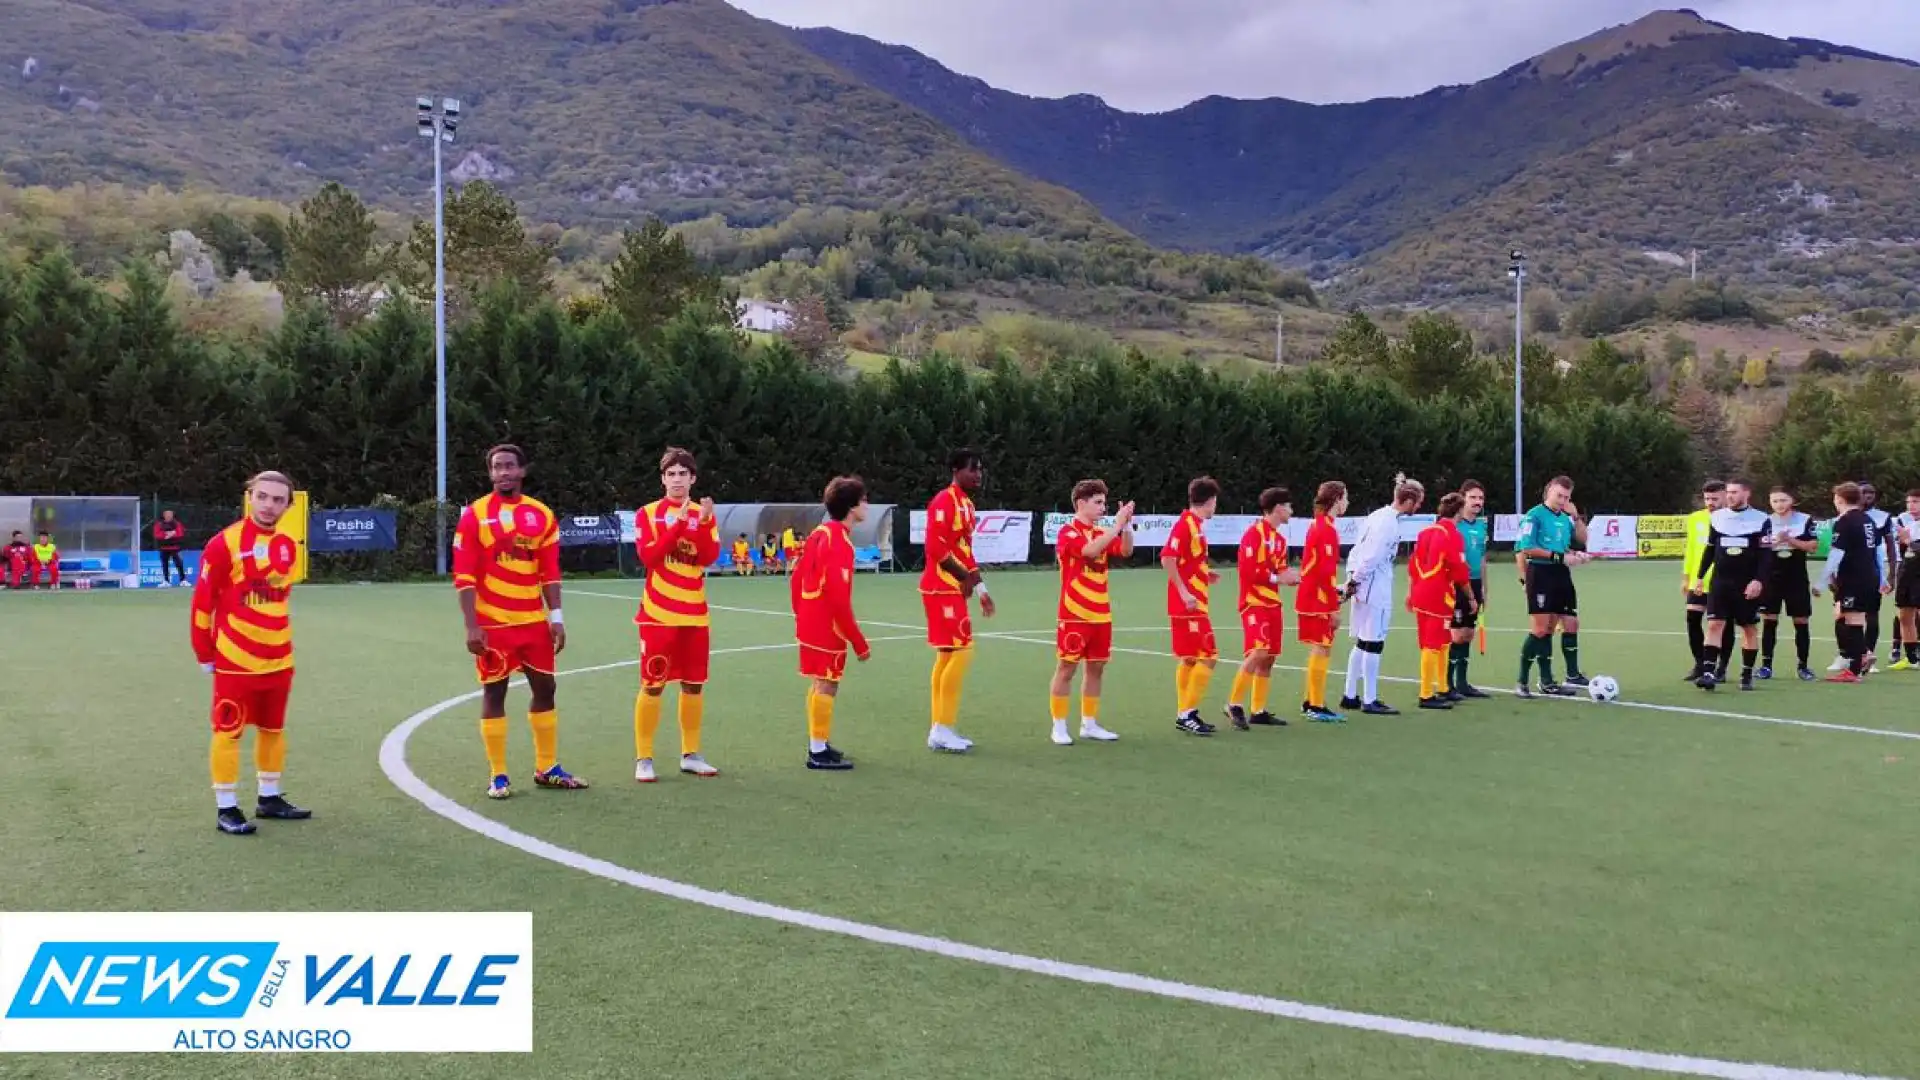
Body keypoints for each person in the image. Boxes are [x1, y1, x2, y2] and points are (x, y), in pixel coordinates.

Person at [454, 444, 585, 800]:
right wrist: (471, 625)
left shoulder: (541, 515)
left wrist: (555, 618)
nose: (503, 472)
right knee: (494, 692)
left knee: (546, 689)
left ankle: (547, 768)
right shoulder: (474, 515)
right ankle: (498, 775)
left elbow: (550, 572)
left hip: (533, 623)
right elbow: (464, 576)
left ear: (522, 471)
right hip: (492, 624)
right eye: (497, 467)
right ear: (490, 473)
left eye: (510, 466)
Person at [191, 471, 310, 835]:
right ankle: (226, 807)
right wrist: (204, 651)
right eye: (263, 496)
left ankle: (269, 798)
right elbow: (203, 600)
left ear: (288, 505)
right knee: (229, 731)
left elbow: (278, 597)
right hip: (235, 662)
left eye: (278, 499)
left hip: (279, 660)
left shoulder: (289, 545)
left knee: (273, 729)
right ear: (249, 496)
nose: (269, 505)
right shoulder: (223, 543)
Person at [633, 446, 722, 782]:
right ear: (662, 479)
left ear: (693, 478)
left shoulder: (704, 513)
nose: (677, 479)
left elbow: (708, 556)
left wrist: (700, 522)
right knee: (653, 684)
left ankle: (691, 754)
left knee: (694, 684)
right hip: (657, 614)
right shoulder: (648, 513)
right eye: (671, 474)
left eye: (683, 474)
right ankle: (644, 758)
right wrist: (679, 523)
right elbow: (649, 557)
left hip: (695, 614)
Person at [792, 476, 874, 771]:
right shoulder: (839, 541)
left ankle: (820, 742)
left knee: (822, 681)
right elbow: (839, 599)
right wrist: (859, 641)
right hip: (827, 625)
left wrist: (800, 614)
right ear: (852, 506)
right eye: (864, 500)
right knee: (827, 682)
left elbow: (797, 577)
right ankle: (816, 751)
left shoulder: (820, 533)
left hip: (811, 621)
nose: (867, 505)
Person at [1050, 480, 1133, 744]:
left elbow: (1126, 550)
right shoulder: (1068, 532)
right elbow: (1089, 552)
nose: (1103, 508)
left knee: (1096, 668)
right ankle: (1059, 726)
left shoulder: (1101, 531)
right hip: (1075, 613)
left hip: (1101, 614)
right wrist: (1116, 525)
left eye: (1104, 503)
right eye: (1097, 502)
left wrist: (1127, 525)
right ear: (1080, 503)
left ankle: (1089, 723)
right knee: (1067, 668)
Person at [922, 448, 994, 752]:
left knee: (947, 654)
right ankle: (942, 727)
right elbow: (934, 545)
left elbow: (964, 549)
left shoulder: (966, 504)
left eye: (980, 469)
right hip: (941, 587)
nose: (978, 474)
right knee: (962, 651)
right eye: (972, 469)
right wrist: (963, 576)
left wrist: (980, 588)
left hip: (952, 588)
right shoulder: (944, 500)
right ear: (956, 470)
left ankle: (940, 727)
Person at [1342, 477, 1425, 716]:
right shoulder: (1386, 523)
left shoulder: (1377, 516)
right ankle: (1370, 699)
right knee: (1374, 643)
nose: (1417, 507)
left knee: (1362, 641)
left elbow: (1357, 550)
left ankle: (1350, 695)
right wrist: (1355, 581)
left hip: (1365, 585)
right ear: (1408, 500)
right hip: (1373, 588)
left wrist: (1352, 579)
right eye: (1417, 502)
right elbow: (1370, 556)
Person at [1227, 487, 1300, 730]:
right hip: (1253, 602)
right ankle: (1234, 703)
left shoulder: (1280, 539)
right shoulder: (1254, 534)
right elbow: (1249, 571)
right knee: (1258, 652)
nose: (1291, 510)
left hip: (1272, 603)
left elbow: (1278, 570)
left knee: (1268, 658)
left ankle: (1258, 710)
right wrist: (1279, 578)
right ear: (1278, 508)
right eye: (1288, 506)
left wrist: (1291, 577)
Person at [1514, 475, 1589, 698]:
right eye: (1559, 495)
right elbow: (1527, 549)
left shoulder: (1566, 518)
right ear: (1548, 493)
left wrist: (1575, 520)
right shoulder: (1534, 516)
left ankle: (1556, 679)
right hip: (1540, 573)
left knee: (1568, 623)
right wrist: (1560, 557)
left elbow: (1582, 538)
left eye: (1566, 497)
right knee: (1540, 629)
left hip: (1561, 574)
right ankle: (1522, 681)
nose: (1562, 500)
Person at [1692, 480, 1769, 691]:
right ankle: (1708, 673)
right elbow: (1710, 548)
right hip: (1720, 581)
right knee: (1715, 624)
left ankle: (1746, 674)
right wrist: (1700, 576)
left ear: (1747, 493)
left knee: (1748, 628)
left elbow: (1765, 556)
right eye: (1728, 492)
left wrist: (1758, 580)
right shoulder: (1717, 518)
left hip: (1747, 583)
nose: (1730, 496)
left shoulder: (1762, 519)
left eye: (1734, 492)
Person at [1164, 476, 1223, 735]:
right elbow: (1167, 558)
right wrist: (1185, 591)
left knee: (1189, 659)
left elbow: (1186, 560)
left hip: (1192, 602)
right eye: (1215, 502)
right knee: (1209, 656)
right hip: (1189, 605)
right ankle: (1187, 713)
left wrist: (1203, 573)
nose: (1215, 507)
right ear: (1209, 501)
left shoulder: (1195, 525)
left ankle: (1184, 713)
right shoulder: (1186, 524)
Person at [1409, 493, 1475, 710]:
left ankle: (1443, 687)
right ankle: (1426, 693)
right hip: (1438, 596)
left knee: (1443, 640)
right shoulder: (1452, 535)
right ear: (1458, 512)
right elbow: (1459, 571)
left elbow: (1413, 565)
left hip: (1421, 592)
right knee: (1433, 643)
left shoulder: (1425, 532)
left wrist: (1412, 592)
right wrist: (1471, 597)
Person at [1295, 481, 1350, 722]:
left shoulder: (1322, 526)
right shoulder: (1325, 529)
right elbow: (1324, 573)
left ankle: (1312, 701)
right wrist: (1333, 607)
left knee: (1321, 646)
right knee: (1322, 646)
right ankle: (1315, 705)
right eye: (1345, 497)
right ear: (1337, 499)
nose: (1347, 502)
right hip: (1316, 599)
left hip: (1315, 596)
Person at [1819, 482, 1880, 682]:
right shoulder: (1867, 519)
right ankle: (1862, 656)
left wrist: (1821, 581)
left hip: (1853, 577)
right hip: (1869, 576)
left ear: (1839, 500)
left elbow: (1836, 553)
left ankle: (1856, 666)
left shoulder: (1844, 522)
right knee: (1852, 618)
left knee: (1849, 619)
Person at [1759, 487, 1818, 681]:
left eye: (1783, 500)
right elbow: (1760, 548)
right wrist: (1776, 543)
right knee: (1769, 620)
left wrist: (1790, 540)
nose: (1779, 505)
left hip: (1796, 577)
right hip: (1771, 578)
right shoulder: (1764, 521)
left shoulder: (1805, 520)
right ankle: (1766, 666)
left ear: (1792, 500)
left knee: (1801, 622)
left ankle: (1803, 666)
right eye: (1775, 501)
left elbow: (1812, 547)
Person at [1683, 481, 1734, 681]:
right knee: (1693, 619)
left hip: (1724, 580)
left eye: (1715, 498)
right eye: (1707, 499)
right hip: (1699, 580)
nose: (1710, 502)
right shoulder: (1695, 519)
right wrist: (1686, 576)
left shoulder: (1732, 519)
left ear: (1725, 496)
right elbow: (1691, 550)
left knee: (1723, 624)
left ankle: (1721, 668)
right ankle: (1700, 664)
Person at [1446, 481, 1492, 699]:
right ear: (1462, 498)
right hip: (1455, 584)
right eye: (1473, 497)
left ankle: (1462, 682)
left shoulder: (1482, 525)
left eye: (1481, 498)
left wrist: (1484, 587)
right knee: (1456, 634)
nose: (1477, 502)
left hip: (1474, 583)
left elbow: (1482, 558)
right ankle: (1447, 684)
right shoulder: (1453, 525)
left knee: (1469, 633)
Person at [1890, 490, 1920, 670]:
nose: (1911, 506)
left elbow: (1911, 544)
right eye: (1908, 502)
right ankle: (1911, 658)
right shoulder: (1900, 520)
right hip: (1906, 570)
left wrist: (1908, 541)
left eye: (1915, 502)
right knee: (1904, 614)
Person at [154, 510, 189, 587]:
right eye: (167, 514)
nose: (169, 516)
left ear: (172, 515)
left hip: (175, 548)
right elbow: (157, 535)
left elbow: (180, 533)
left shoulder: (177, 524)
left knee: (179, 564)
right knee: (164, 565)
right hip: (163, 548)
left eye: (170, 514)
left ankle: (183, 580)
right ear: (164, 515)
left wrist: (173, 534)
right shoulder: (159, 524)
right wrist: (168, 534)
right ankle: (166, 581)